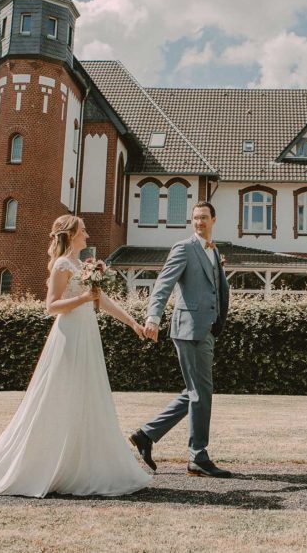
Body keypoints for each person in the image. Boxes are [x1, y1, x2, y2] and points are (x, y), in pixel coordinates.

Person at [0, 215, 152, 498]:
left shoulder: (83, 266)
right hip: (69, 336)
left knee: (88, 397)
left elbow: (103, 301)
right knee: (61, 398)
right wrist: (84, 299)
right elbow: (52, 306)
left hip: (87, 336)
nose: (87, 234)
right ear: (71, 235)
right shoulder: (62, 265)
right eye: (83, 230)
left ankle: (82, 466)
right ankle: (47, 465)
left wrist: (132, 323)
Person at [129, 201, 232, 478]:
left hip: (207, 329)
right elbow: (164, 283)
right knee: (201, 391)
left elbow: (216, 288)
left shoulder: (214, 249)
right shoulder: (184, 248)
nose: (199, 222)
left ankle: (146, 435)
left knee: (195, 391)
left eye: (203, 218)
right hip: (188, 329)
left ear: (214, 219)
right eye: (195, 218)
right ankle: (197, 456)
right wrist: (153, 317)